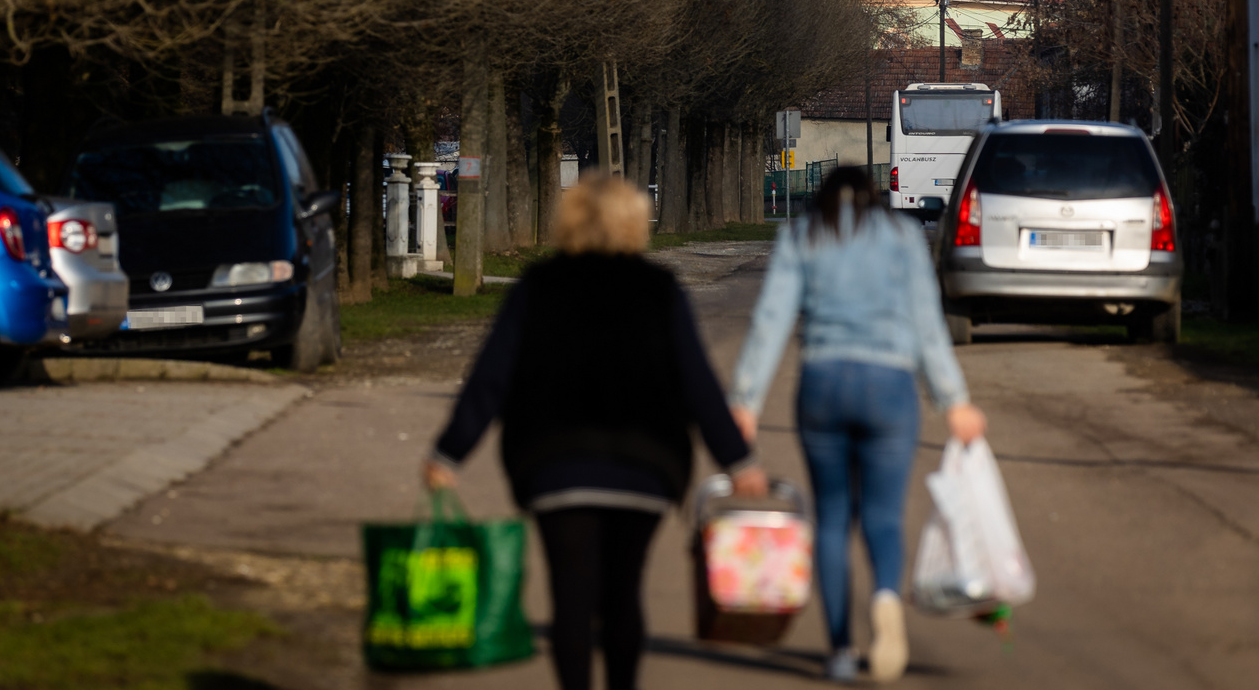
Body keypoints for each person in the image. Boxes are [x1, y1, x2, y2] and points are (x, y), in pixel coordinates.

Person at [422, 174, 768, 690]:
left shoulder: (539, 286)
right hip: (646, 466)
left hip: (553, 463)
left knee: (571, 600)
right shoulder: (659, 290)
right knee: (622, 597)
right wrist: (739, 463)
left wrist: (449, 454)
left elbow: (492, 377)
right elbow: (697, 383)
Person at [729, 166, 986, 684]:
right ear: (874, 197)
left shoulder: (804, 232)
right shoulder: (902, 235)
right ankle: (886, 597)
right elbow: (926, 321)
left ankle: (842, 650)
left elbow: (771, 319)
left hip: (822, 383)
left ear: (822, 196)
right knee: (884, 515)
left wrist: (745, 402)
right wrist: (953, 399)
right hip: (889, 386)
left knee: (831, 517)